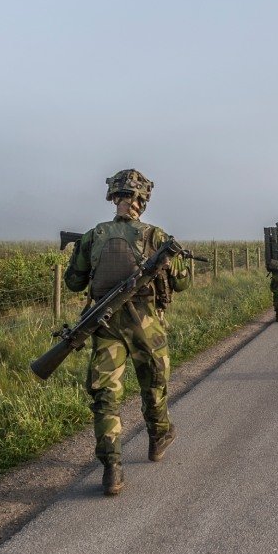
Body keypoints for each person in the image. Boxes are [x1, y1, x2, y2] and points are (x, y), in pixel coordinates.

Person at [64, 168, 192, 496]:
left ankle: (112, 468)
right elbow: (181, 283)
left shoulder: (94, 236)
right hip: (146, 326)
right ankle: (158, 437)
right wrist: (181, 265)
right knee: (154, 386)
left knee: (106, 395)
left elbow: (74, 282)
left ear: (114, 198)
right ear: (143, 200)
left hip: (105, 326)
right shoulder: (157, 237)